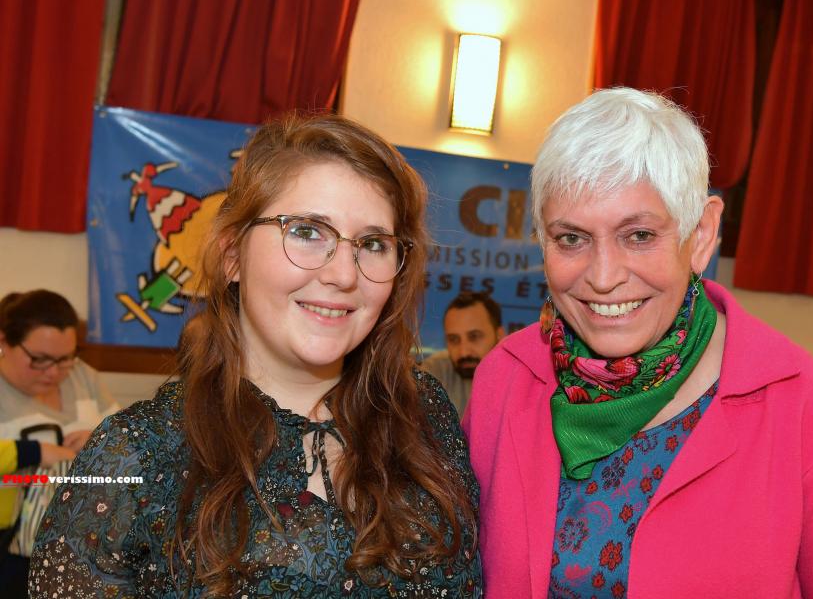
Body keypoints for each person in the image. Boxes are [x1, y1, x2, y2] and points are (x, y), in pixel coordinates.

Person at [463, 88, 813, 598]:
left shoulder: (793, 398)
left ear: (702, 234)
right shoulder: (506, 379)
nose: (603, 277)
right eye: (572, 238)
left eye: (639, 236)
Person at [30, 114, 482, 597]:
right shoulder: (135, 453)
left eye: (372, 243)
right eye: (307, 231)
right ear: (232, 256)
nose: (344, 274)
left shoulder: (423, 415)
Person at [0, 290, 118, 598]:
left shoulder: (83, 376)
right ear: (4, 342)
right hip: (13, 556)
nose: (54, 372)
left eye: (65, 358)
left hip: (88, 548)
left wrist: (98, 439)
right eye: (39, 359)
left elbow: (126, 443)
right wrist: (38, 457)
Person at [422, 292, 505, 415]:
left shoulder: (522, 379)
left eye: (474, 337)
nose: (464, 352)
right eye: (454, 339)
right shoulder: (436, 370)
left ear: (499, 335)